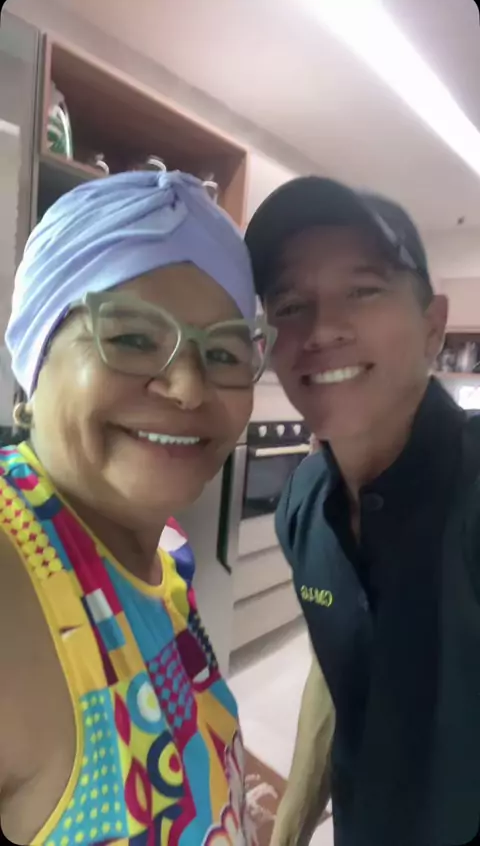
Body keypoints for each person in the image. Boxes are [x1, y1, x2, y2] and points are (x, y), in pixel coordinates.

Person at [0, 169, 276, 846]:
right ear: (32, 365)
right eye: (129, 338)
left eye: (222, 351)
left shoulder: (167, 557)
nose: (188, 387)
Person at [245, 177, 480, 846]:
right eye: (291, 304)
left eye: (363, 290)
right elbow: (335, 666)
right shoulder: (303, 502)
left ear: (432, 326)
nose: (321, 329)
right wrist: (288, 833)